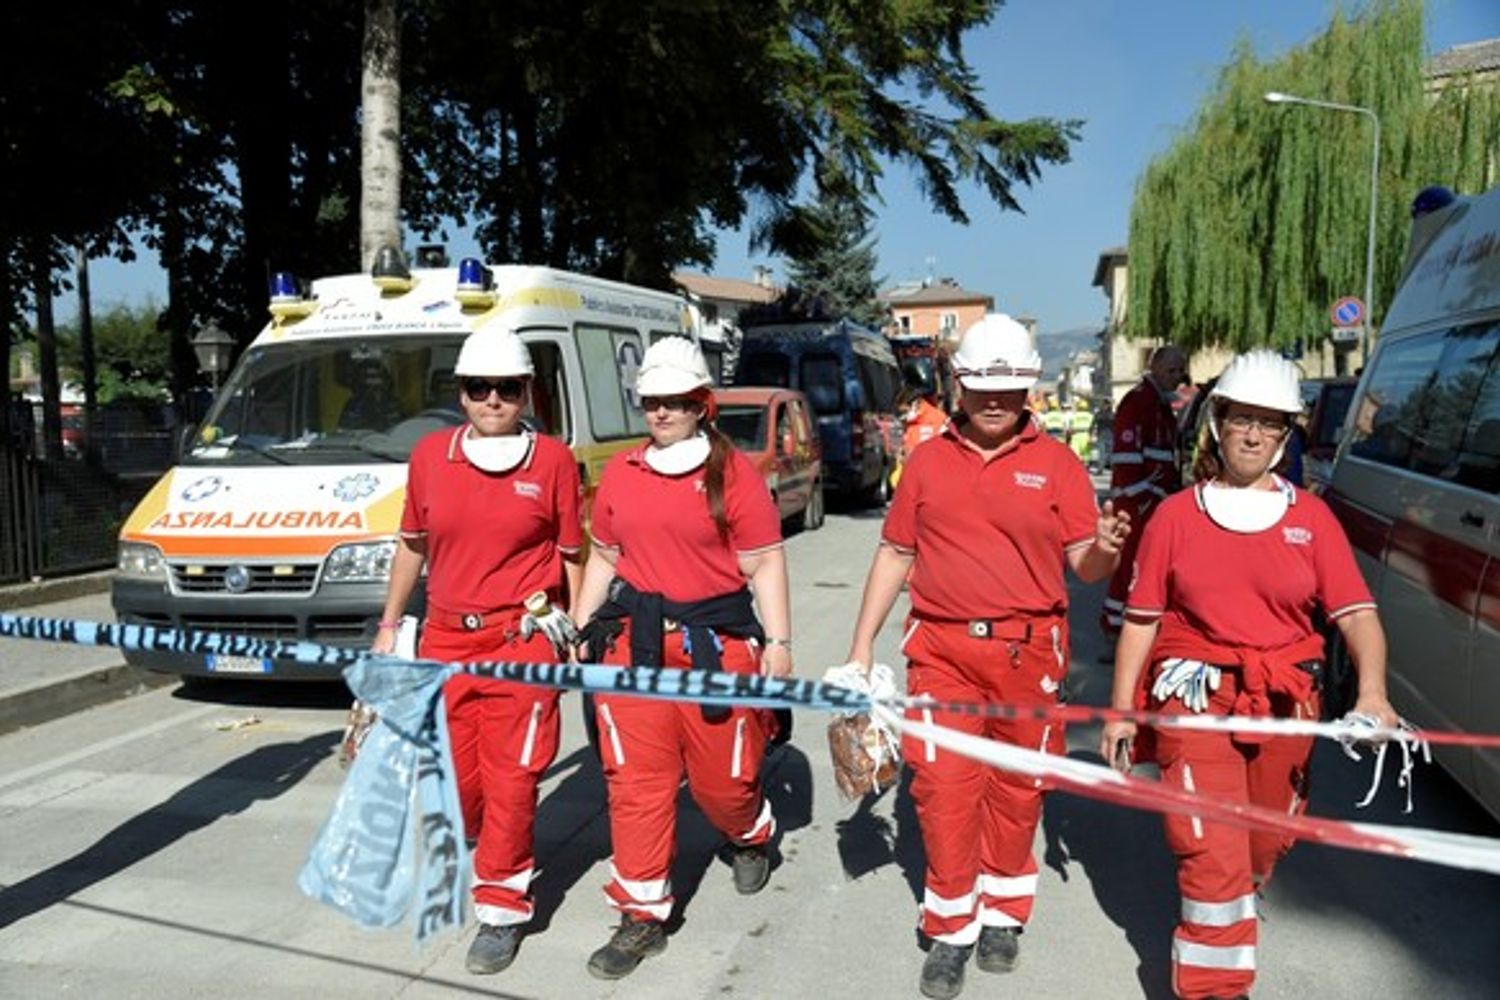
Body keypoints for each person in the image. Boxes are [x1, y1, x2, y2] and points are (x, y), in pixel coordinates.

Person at [845, 314, 1131, 1000]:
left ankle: (1003, 911)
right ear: (961, 387)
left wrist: (1107, 549)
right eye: (981, 387)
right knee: (943, 792)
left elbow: (1083, 568)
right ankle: (950, 929)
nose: (995, 400)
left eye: (1009, 387)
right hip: (941, 652)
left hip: (1029, 654)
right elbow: (895, 553)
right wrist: (859, 649)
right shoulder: (928, 461)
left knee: (1016, 789)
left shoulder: (1057, 465)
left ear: (1028, 385)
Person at [1099, 350, 1396, 1000]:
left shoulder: (1312, 520)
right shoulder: (1175, 517)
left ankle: (1242, 887)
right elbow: (1142, 622)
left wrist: (1372, 691)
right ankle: (1215, 987)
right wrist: (1121, 708)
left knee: (1263, 844)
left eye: (1271, 424)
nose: (1254, 435)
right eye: (1241, 420)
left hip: (1283, 705)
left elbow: (1357, 613)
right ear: (1216, 423)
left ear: (1287, 435)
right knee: (1211, 857)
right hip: (1194, 699)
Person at [572, 335, 794, 981]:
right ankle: (641, 915)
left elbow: (763, 561)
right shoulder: (623, 471)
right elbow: (606, 554)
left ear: (702, 403)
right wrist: (581, 628)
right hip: (630, 648)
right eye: (651, 402)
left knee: (722, 785)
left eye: (675, 401)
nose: (661, 412)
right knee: (636, 786)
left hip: (716, 649)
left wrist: (778, 643)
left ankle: (750, 832)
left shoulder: (733, 476)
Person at [372, 326, 583, 976]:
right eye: (478, 387)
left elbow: (573, 554)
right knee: (458, 784)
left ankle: (502, 906)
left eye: (506, 388)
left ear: (526, 392)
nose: (492, 399)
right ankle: (486, 841)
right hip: (443, 640)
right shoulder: (431, 457)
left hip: (521, 640)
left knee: (513, 778)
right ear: (460, 394)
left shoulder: (551, 461)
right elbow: (412, 543)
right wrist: (388, 624)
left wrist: (572, 630)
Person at [1101, 344, 1187, 638]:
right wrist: (1145, 499)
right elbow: (1126, 460)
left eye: (1180, 370)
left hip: (1153, 500)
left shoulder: (1159, 403)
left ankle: (1127, 626)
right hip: (1138, 503)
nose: (1178, 377)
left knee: (1144, 565)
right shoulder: (1139, 402)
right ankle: (1116, 630)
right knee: (1131, 566)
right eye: (1172, 370)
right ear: (1155, 368)